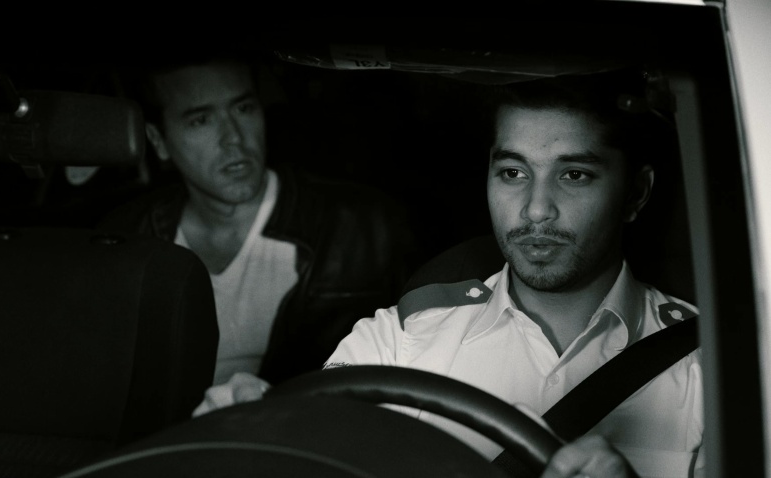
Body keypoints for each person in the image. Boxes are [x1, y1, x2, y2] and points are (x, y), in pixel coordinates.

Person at [321, 69, 702, 478]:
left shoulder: (709, 368)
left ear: (636, 193)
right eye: (513, 173)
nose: (536, 210)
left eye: (574, 175)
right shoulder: (397, 345)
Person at [97, 51, 420, 414]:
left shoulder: (363, 227)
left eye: (243, 108)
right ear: (158, 140)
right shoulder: (125, 239)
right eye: (201, 120)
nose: (233, 139)